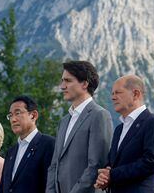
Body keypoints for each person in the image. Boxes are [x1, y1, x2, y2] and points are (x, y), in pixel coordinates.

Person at [46, 60, 113, 193]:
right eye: (62, 81)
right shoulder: (64, 121)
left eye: (68, 81)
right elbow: (54, 165)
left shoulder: (99, 115)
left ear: (84, 83)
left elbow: (96, 165)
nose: (62, 86)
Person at [94, 75, 154, 193]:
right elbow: (113, 163)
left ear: (136, 94)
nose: (113, 97)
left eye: (118, 92)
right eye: (112, 93)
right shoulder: (119, 129)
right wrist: (105, 176)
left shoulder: (153, 122)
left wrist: (112, 174)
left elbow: (152, 162)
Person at [0, 96, 55, 193]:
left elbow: (52, 185)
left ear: (33, 115)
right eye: (10, 115)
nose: (13, 119)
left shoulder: (49, 144)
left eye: (18, 113)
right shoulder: (10, 152)